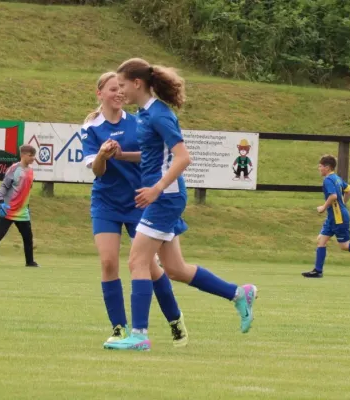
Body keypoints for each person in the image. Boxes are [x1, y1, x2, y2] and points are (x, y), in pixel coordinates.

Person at [104, 58, 257, 352]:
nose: (120, 90)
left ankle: (139, 335)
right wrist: (123, 156)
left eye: (122, 85)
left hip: (165, 197)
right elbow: (153, 155)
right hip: (162, 196)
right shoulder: (144, 114)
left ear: (137, 83)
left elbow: (183, 157)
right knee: (174, 268)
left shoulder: (160, 115)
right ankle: (239, 294)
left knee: (138, 262)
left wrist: (157, 189)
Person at [81, 71, 188, 347]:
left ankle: (175, 318)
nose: (118, 93)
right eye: (113, 89)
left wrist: (124, 155)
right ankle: (119, 328)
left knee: (150, 266)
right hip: (106, 202)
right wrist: (103, 156)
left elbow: (152, 154)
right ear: (100, 93)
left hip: (139, 199)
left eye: (121, 88)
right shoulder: (91, 127)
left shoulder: (138, 122)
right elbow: (97, 171)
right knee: (108, 262)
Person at [302, 155, 350, 278]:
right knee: (321, 240)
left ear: (327, 167)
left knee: (344, 246)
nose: (319, 169)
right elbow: (349, 191)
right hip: (332, 217)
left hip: (339, 218)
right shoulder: (337, 178)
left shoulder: (328, 180)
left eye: (320, 166)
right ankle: (318, 271)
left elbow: (333, 196)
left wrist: (323, 207)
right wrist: (343, 203)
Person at [0, 144, 39, 268]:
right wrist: (0, 201)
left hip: (23, 211)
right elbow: (4, 186)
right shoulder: (14, 169)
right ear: (23, 155)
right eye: (30, 155)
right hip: (9, 210)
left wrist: (26, 207)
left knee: (28, 237)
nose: (33, 158)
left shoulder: (31, 171)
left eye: (34, 155)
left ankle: (30, 262)